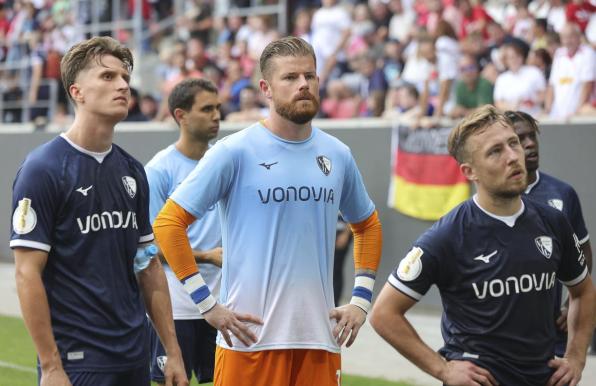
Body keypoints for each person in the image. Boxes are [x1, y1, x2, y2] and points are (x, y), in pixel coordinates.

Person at [153, 36, 383, 386]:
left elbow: (367, 224)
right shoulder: (234, 151)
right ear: (266, 88)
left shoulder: (337, 154)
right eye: (290, 78)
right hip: (249, 342)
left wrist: (361, 299)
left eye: (310, 75)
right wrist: (207, 304)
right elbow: (168, 225)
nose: (304, 84)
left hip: (320, 341)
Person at [370, 105, 595, 386]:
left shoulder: (553, 222)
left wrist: (576, 357)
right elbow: (383, 314)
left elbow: (584, 291)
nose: (514, 156)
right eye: (495, 151)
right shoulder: (448, 235)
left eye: (513, 143)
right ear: (470, 171)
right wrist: (443, 369)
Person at [10, 36, 187, 386]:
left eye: (125, 77)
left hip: (135, 356)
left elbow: (148, 266)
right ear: (77, 92)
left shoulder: (132, 171)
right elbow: (26, 275)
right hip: (78, 361)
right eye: (107, 77)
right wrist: (50, 367)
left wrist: (173, 352)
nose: (123, 84)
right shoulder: (43, 169)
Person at [146, 78, 223, 384]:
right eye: (207, 109)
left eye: (218, 108)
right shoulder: (159, 171)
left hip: (224, 304)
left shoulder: (224, 161)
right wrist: (207, 257)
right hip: (176, 306)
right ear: (181, 116)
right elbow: (151, 246)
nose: (217, 115)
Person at [506, 110, 594, 356]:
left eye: (532, 136)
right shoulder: (496, 198)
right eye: (520, 139)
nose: (530, 143)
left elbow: (583, 251)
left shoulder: (562, 193)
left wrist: (571, 302)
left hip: (550, 332)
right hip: (504, 332)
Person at [545, 23, 595, 119]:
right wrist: (548, 109)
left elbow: (588, 84)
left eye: (571, 36)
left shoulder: (588, 53)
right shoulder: (559, 54)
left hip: (578, 114)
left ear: (579, 37)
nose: (567, 41)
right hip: (557, 113)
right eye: (564, 37)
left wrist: (578, 111)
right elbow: (552, 84)